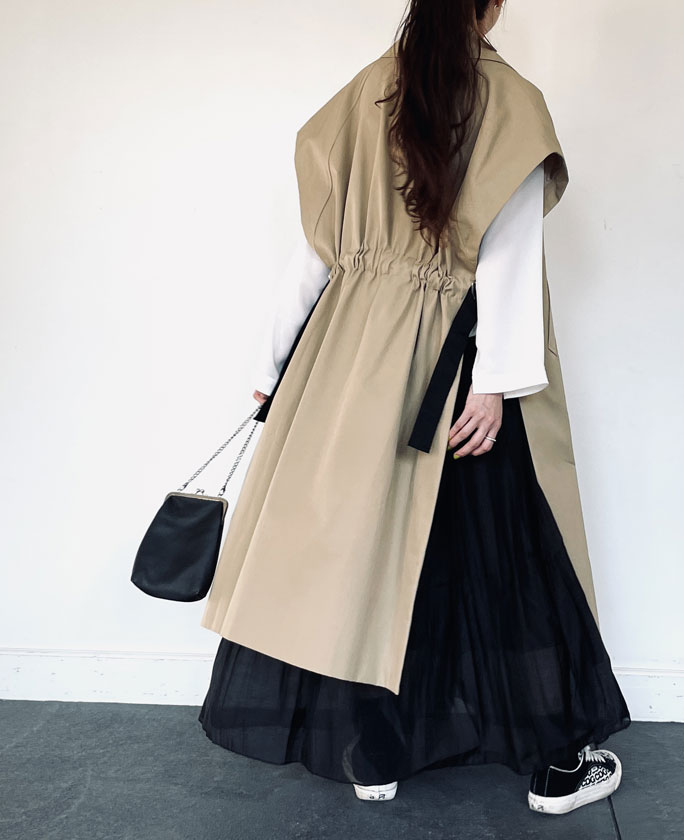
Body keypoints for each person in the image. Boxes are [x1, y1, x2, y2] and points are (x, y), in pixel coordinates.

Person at [198, 0, 631, 816]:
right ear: (492, 7)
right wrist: (497, 380)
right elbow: (507, 249)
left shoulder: (369, 90)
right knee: (511, 554)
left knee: (365, 551)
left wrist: (274, 365)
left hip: (351, 358)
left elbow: (317, 250)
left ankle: (371, 754)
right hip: (458, 364)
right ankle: (555, 767)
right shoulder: (510, 102)